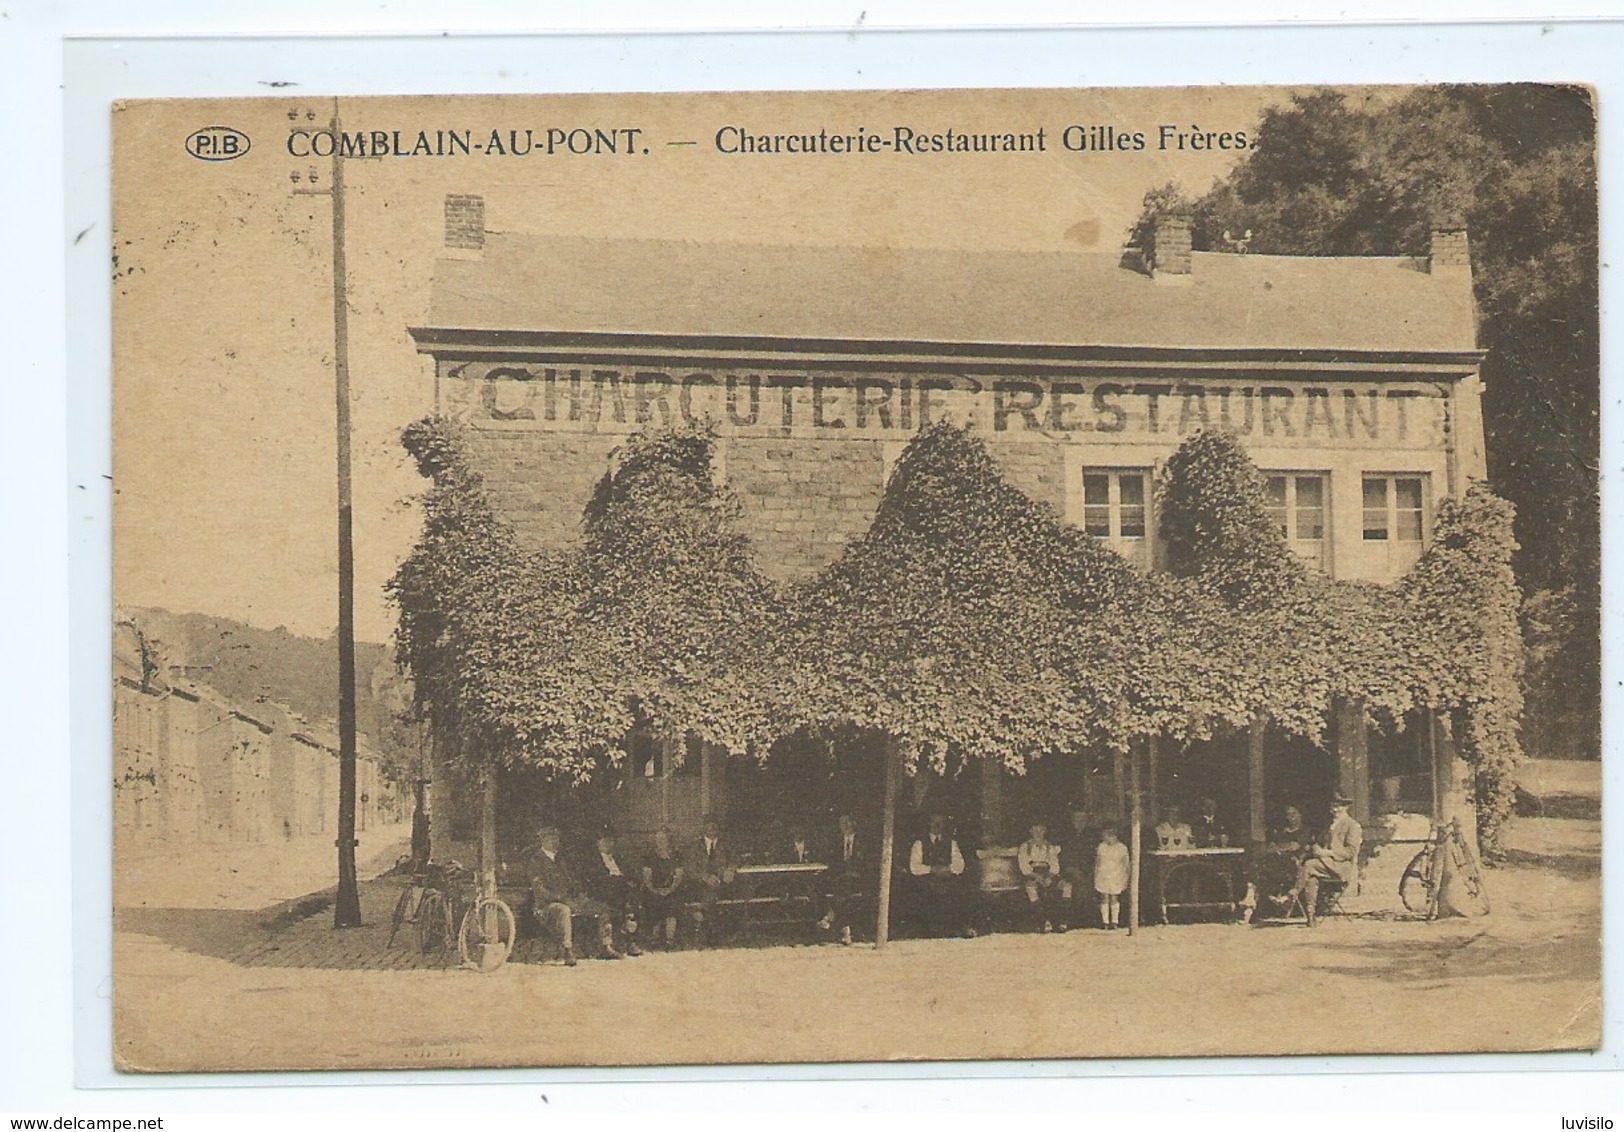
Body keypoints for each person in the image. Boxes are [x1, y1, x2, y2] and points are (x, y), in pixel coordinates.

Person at [527, 825, 620, 965]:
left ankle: (606, 946)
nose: (555, 841)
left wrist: (581, 894)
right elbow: (540, 891)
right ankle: (567, 950)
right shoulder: (536, 861)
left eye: (557, 838)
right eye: (551, 838)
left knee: (602, 909)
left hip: (570, 900)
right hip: (546, 906)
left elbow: (573, 881)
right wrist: (563, 899)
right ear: (543, 841)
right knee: (564, 911)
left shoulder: (561, 860)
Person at [1289, 795, 1364, 926]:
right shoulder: (1329, 825)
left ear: (1346, 807)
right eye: (1333, 806)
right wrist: (1317, 848)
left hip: (1341, 866)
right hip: (1325, 866)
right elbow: (1322, 844)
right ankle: (1311, 916)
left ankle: (1292, 894)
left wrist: (1327, 853)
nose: (1335, 810)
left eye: (1339, 806)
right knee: (1311, 878)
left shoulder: (1353, 826)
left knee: (1309, 865)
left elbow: (1351, 852)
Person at [907, 812, 976, 938]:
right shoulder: (919, 843)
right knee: (925, 892)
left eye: (941, 823)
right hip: (927, 879)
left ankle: (959, 927)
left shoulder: (951, 843)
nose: (937, 825)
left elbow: (959, 865)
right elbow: (914, 867)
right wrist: (932, 869)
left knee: (959, 890)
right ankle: (928, 929)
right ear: (929, 823)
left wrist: (947, 869)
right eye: (934, 822)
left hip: (946, 878)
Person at [578, 829, 643, 956]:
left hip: (621, 893)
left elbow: (632, 875)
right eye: (605, 841)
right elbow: (597, 881)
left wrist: (627, 882)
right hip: (603, 893)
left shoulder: (619, 859)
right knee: (627, 902)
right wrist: (622, 882)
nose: (608, 844)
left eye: (611, 841)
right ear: (598, 843)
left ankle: (630, 941)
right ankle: (627, 941)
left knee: (631, 903)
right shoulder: (592, 861)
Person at [682, 814, 738, 946]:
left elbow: (734, 860)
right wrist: (705, 877)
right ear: (703, 828)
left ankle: (707, 927)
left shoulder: (725, 844)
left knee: (716, 891)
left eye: (714, 825)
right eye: (709, 825)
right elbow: (689, 867)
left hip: (722, 884)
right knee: (710, 891)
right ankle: (713, 933)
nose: (712, 828)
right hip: (700, 885)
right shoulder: (695, 846)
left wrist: (730, 870)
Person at [818, 812, 867, 945]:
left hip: (860, 878)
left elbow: (867, 862)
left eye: (846, 823)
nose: (843, 827)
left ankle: (830, 917)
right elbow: (832, 861)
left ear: (853, 823)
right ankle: (846, 930)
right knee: (842, 892)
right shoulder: (836, 841)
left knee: (843, 892)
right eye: (841, 824)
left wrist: (855, 872)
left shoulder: (863, 840)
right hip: (842, 878)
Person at [1016, 821, 1070, 932]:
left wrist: (1049, 877)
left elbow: (1054, 865)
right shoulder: (1025, 847)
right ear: (1030, 831)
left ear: (1045, 831)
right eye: (1035, 831)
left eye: (1041, 830)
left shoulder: (1050, 847)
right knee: (1031, 888)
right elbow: (1024, 866)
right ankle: (1044, 921)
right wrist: (1036, 877)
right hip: (1032, 875)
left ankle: (1062, 921)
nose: (1038, 833)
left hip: (1049, 874)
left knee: (1067, 886)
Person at [640, 826, 685, 949]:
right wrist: (656, 890)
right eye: (658, 839)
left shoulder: (676, 855)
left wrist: (670, 889)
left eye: (663, 839)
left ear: (669, 840)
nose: (660, 842)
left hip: (672, 888)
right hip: (653, 888)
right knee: (654, 900)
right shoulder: (649, 856)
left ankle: (670, 939)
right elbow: (647, 878)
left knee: (672, 901)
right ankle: (654, 937)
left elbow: (679, 877)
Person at [1093, 826, 1131, 929]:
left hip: (1116, 874)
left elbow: (1126, 863)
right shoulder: (1101, 847)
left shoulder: (1122, 848)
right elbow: (1097, 863)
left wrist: (1127, 876)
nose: (1107, 838)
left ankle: (1114, 921)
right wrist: (1096, 875)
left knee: (1114, 897)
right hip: (1104, 874)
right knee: (1104, 897)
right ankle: (1105, 921)